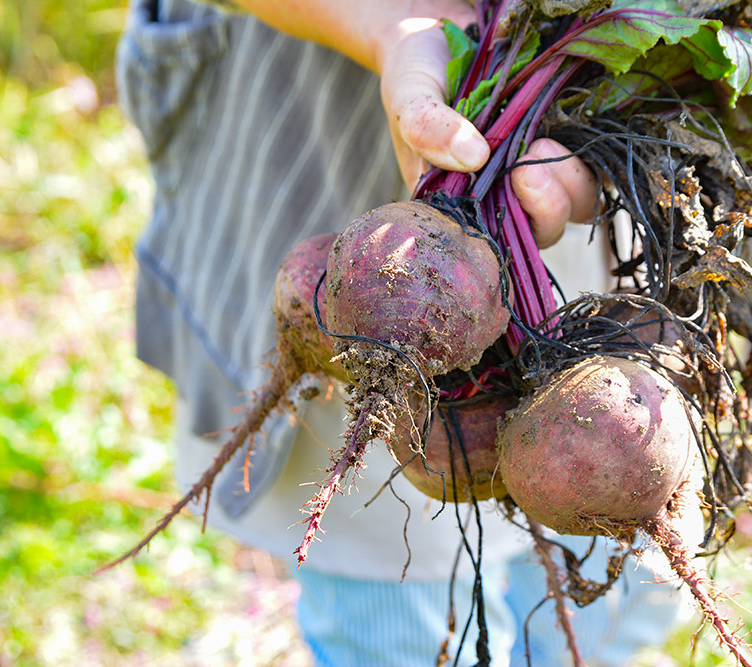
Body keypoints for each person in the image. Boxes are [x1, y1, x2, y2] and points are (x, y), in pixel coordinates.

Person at [115, 1, 703, 665]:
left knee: (610, 599)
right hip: (319, 120)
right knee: (398, 611)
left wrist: (624, 127)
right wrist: (390, 23)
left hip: (601, 281)